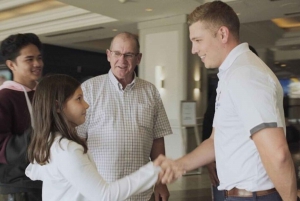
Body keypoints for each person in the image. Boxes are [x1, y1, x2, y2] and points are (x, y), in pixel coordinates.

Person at [160, 1, 297, 200]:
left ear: (222, 34)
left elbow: (278, 154)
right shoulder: (232, 75)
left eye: (198, 40)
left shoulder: (245, 75)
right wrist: (178, 165)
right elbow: (217, 140)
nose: (193, 49)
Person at [25, 74, 176, 201]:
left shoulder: (53, 142)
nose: (86, 105)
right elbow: (104, 195)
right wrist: (154, 170)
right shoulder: (66, 150)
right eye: (79, 99)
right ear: (58, 107)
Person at [77, 32, 172, 201]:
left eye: (128, 55)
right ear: (108, 55)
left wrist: (160, 181)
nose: (122, 60)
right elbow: (79, 140)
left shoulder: (150, 91)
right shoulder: (89, 90)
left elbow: (158, 139)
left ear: (139, 58)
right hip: (101, 191)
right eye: (117, 53)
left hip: (142, 192)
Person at [0, 33, 43, 201]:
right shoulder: (4, 98)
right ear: (11, 64)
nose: (37, 64)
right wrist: (42, 130)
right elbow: (3, 148)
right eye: (29, 59)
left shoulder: (44, 94)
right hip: (17, 187)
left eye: (39, 58)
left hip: (46, 181)